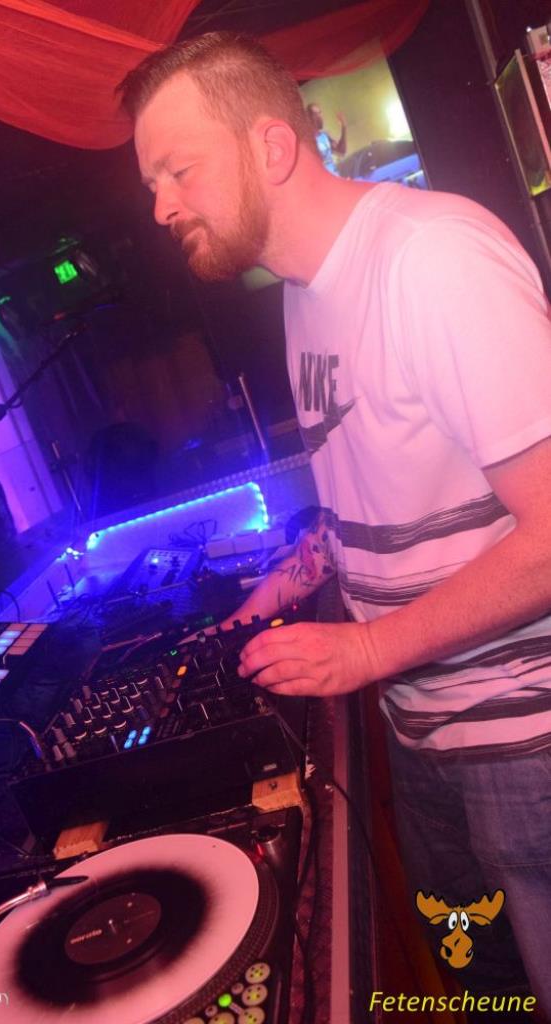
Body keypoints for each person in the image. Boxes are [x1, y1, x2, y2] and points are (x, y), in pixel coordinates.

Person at [117, 31, 551, 1019]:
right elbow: (394, 494)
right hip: (424, 730)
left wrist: (365, 648)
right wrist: (309, 566)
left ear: (271, 147)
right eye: (151, 184)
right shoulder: (304, 293)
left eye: (177, 170)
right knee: (485, 993)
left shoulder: (430, 260)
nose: (160, 207)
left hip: (527, 740)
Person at [306, 101, 347, 175]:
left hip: (335, 176)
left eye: (320, 113)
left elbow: (341, 151)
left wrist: (343, 127)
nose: (321, 116)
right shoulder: (308, 141)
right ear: (310, 117)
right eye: (317, 113)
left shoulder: (324, 136)